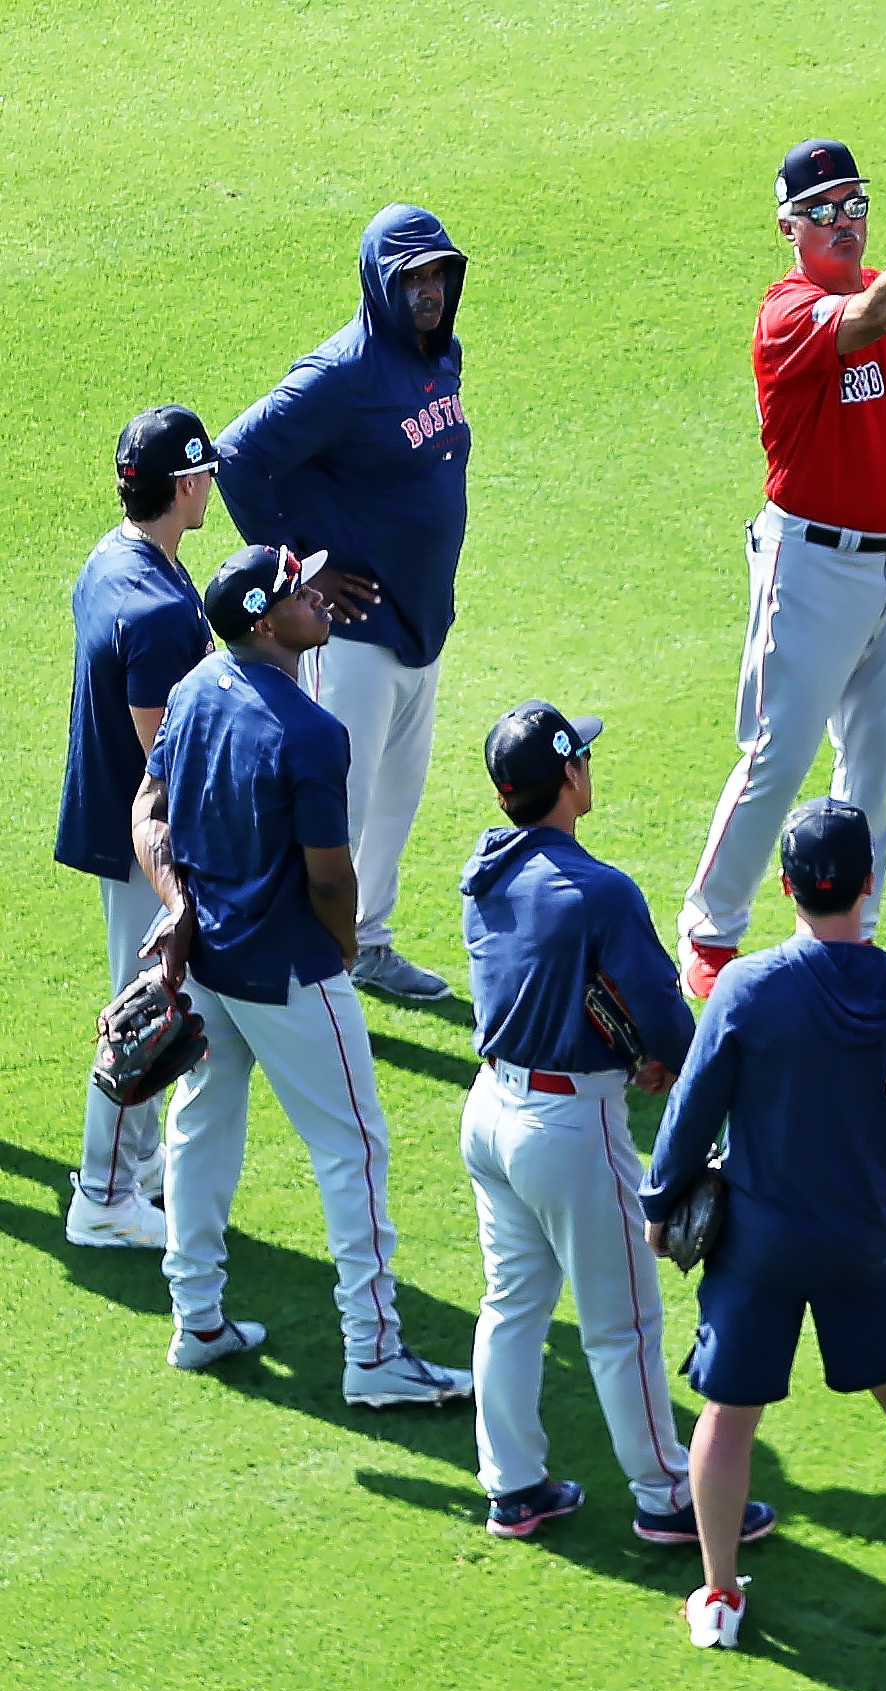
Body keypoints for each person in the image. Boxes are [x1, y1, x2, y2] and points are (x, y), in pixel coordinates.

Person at [678, 138, 886, 995]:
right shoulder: (791, 312)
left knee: (873, 761)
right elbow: (873, 315)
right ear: (787, 225)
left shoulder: (884, 295)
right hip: (812, 567)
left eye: (855, 202)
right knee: (777, 754)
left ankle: (852, 934)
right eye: (822, 209)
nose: (844, 222)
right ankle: (711, 937)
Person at [134, 545, 472, 1407]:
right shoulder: (313, 732)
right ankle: (375, 1353)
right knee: (354, 1148)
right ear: (261, 621)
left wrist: (176, 905)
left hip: (207, 960)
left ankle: (197, 1317)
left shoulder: (197, 688)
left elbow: (149, 810)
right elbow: (330, 876)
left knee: (201, 1129)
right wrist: (344, 947)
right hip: (288, 970)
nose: (317, 597)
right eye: (297, 592)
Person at [644, 800, 886, 1648]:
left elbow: (690, 1110)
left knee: (728, 1413)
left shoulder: (748, 989)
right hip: (864, 1241)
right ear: (868, 881)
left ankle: (718, 1596)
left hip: (758, 1245)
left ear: (784, 883)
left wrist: (659, 1203)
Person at [459, 701, 710, 1542]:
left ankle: (513, 1487)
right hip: (566, 1129)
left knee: (513, 1303)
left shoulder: (484, 870)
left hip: (491, 1111)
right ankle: (668, 1496)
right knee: (625, 1321)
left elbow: (543, 981)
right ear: (569, 775)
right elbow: (667, 1018)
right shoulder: (600, 891)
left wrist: (616, 1040)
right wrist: (671, 1060)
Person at [218, 206, 472, 1003]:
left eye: (438, 275)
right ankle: (306, 961)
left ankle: (368, 945)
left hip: (421, 622)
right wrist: (299, 574)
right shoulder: (341, 374)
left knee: (395, 802)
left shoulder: (438, 356)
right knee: (343, 805)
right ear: (379, 282)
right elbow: (238, 456)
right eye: (412, 278)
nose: (428, 291)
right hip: (357, 635)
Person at [59, 406, 219, 1250]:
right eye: (205, 474)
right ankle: (106, 1192)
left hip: (108, 820)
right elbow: (169, 758)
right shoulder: (155, 609)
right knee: (142, 1012)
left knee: (150, 1000)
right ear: (185, 483)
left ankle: (141, 1169)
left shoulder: (113, 556)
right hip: (139, 841)